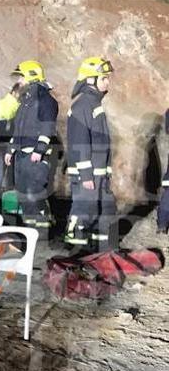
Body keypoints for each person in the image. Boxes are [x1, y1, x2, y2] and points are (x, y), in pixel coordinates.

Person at [64, 56, 117, 252]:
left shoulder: (93, 103)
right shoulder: (83, 105)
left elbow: (101, 142)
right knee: (84, 209)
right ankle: (75, 252)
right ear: (90, 80)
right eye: (104, 78)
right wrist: (86, 174)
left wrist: (105, 171)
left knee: (105, 209)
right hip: (88, 172)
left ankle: (102, 250)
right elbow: (80, 142)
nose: (107, 82)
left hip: (99, 172)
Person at [4, 60, 58, 230]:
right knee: (23, 194)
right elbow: (18, 129)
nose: (19, 81)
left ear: (32, 78)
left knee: (33, 194)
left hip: (34, 156)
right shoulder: (25, 101)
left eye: (21, 77)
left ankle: (41, 231)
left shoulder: (46, 101)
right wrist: (10, 149)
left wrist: (39, 150)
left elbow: (47, 127)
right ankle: (32, 229)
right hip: (21, 155)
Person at [0, 83, 21, 188]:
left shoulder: (1, 103)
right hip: (8, 142)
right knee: (8, 173)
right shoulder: (12, 105)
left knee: (1, 171)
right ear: (14, 92)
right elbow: (11, 125)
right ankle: (4, 197)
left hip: (1, 142)